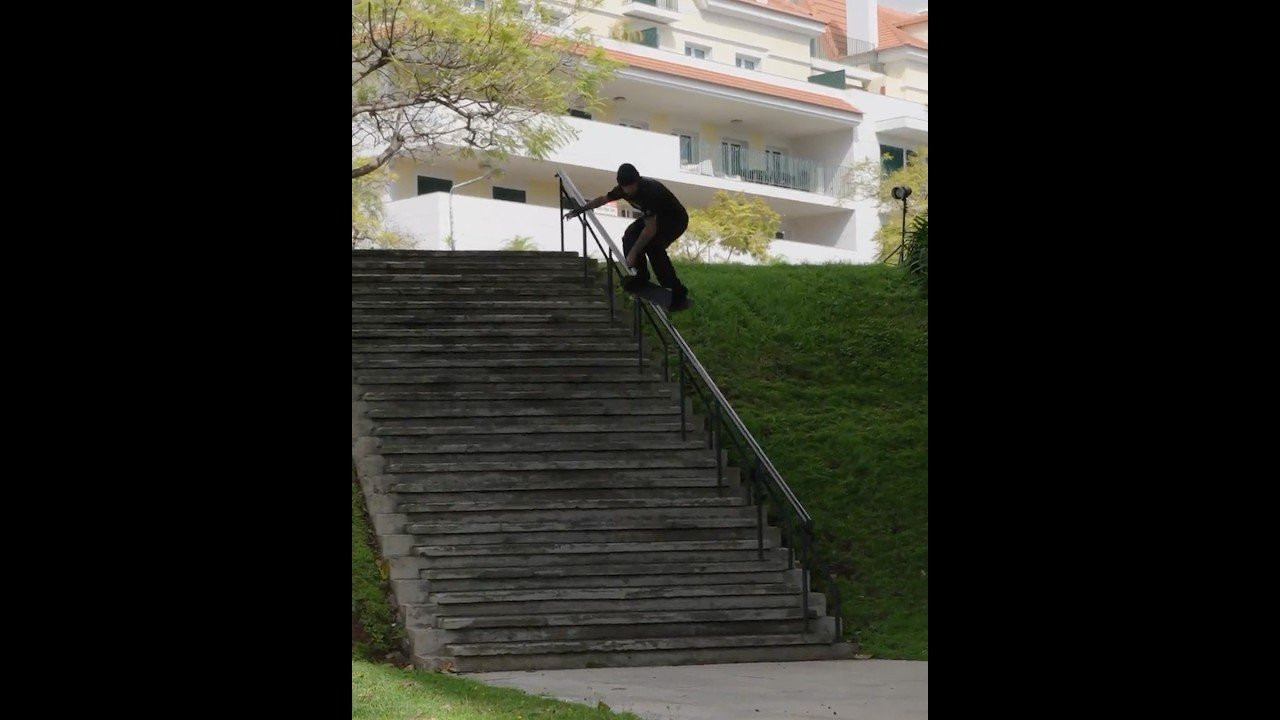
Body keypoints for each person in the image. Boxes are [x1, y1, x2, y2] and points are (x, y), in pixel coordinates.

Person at [564, 163, 691, 311]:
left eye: (632, 186)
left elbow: (650, 230)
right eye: (626, 187)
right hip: (656, 218)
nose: (629, 190)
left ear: (637, 181)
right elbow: (603, 199)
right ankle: (641, 274)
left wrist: (632, 253)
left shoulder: (649, 192)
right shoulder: (622, 190)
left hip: (675, 220)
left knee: (653, 245)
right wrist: (580, 209)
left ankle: (676, 290)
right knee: (629, 235)